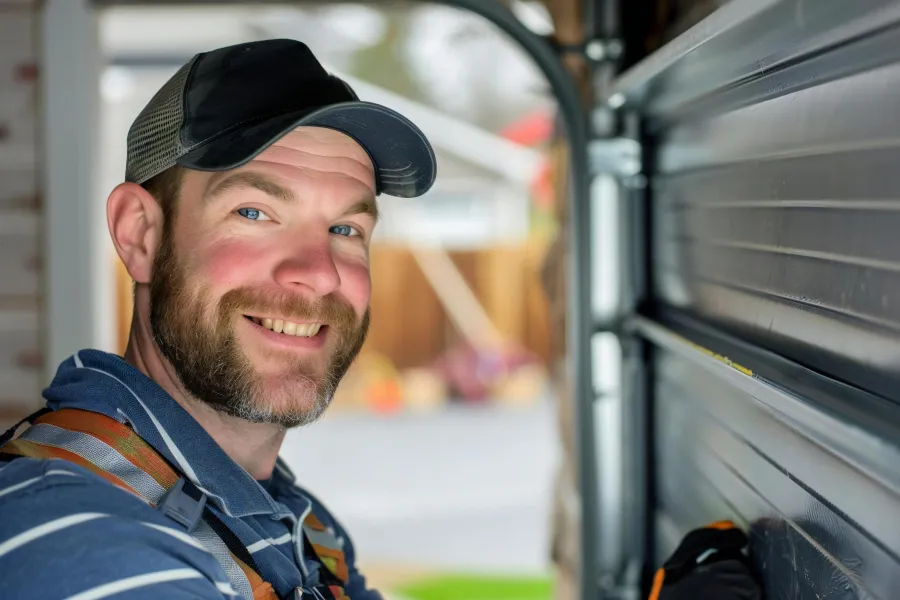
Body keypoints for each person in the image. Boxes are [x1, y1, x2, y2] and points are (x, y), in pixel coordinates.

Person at [0, 39, 435, 600]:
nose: (320, 273)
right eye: (255, 212)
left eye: (345, 229)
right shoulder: (82, 542)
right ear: (140, 235)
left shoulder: (301, 526)